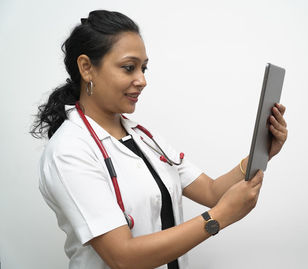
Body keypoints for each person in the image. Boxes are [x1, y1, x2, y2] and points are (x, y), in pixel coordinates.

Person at [31, 10, 288, 269]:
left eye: (143, 68)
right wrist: (218, 218)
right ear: (86, 68)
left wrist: (263, 150)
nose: (142, 80)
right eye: (129, 67)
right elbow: (122, 257)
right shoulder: (69, 151)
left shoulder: (145, 138)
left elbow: (212, 192)